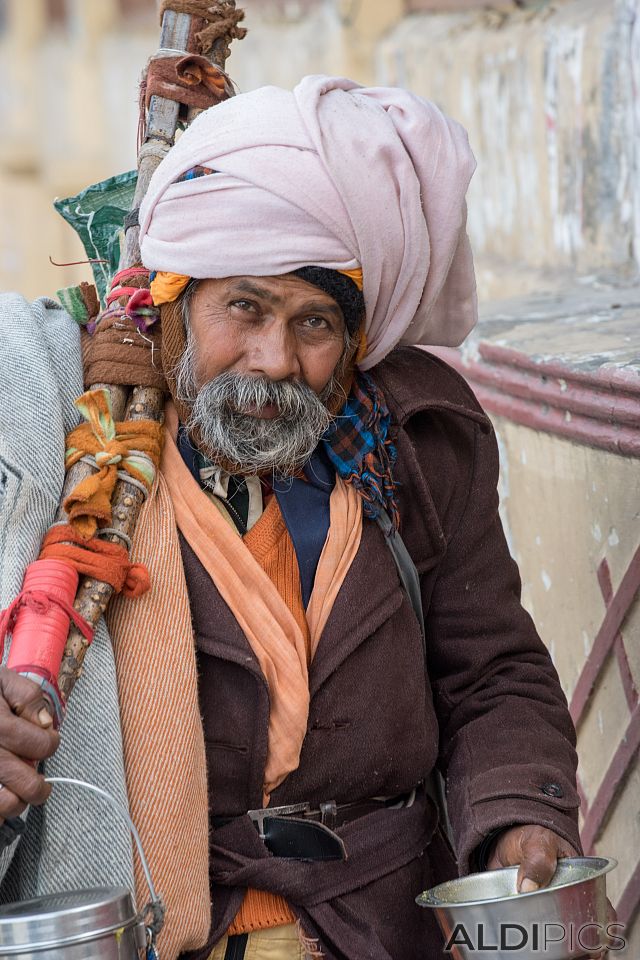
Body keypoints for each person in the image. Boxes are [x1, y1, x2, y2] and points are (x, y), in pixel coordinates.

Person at [0, 77, 586, 960]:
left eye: (314, 322)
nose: (275, 361)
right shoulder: (69, 442)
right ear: (172, 300)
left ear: (356, 340)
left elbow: (491, 670)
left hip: (383, 919)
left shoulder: (414, 448)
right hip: (160, 925)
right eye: (245, 307)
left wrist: (517, 820)